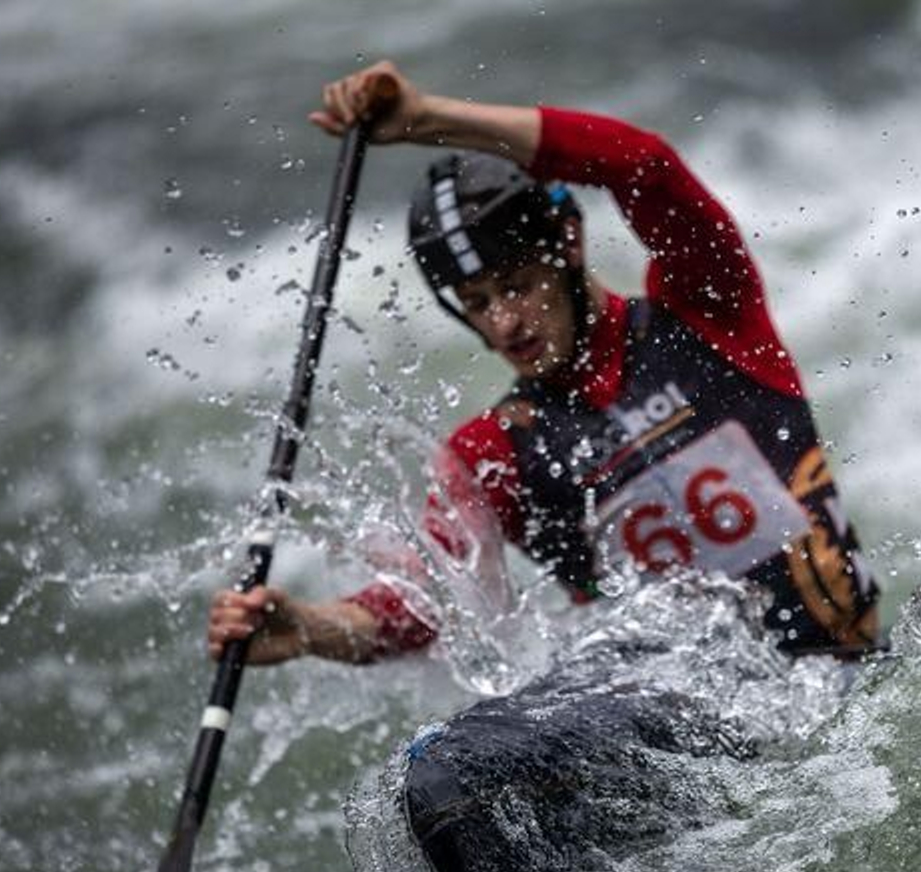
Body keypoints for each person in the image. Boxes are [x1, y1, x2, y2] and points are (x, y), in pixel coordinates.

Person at [207, 61, 881, 667]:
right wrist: (309, 628)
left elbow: (643, 165)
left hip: (841, 678)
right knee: (451, 771)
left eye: (517, 285)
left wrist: (430, 120)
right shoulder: (493, 453)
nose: (503, 320)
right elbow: (430, 599)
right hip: (685, 728)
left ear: (570, 242)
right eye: (477, 302)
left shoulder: (709, 316)